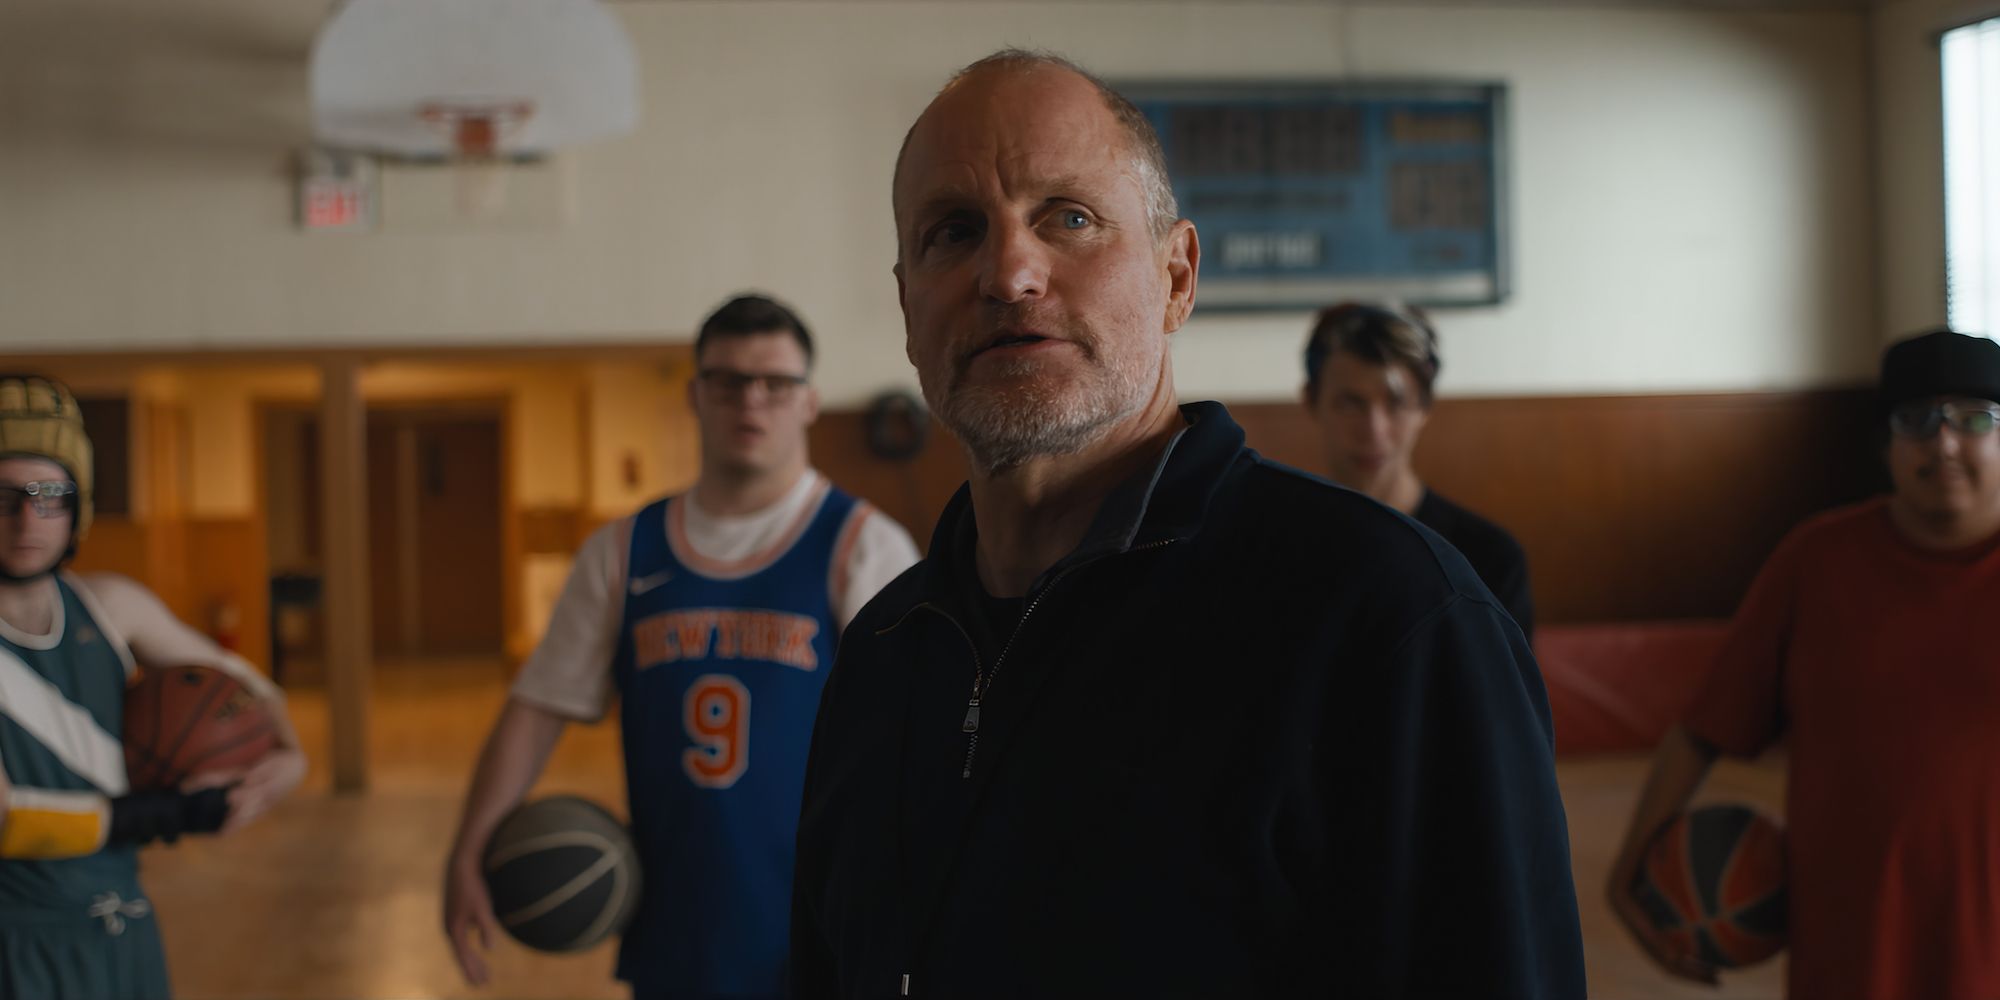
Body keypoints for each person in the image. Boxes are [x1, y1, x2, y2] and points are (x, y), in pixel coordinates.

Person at [789, 50, 1584, 998]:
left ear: (1178, 277)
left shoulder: (1391, 620)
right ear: (909, 307)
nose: (1008, 271)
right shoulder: (883, 654)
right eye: (953, 232)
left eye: (1069, 218)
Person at [442, 294, 921, 999]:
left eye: (776, 384)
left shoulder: (862, 547)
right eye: (728, 382)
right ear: (696, 395)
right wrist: (467, 850)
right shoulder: (622, 552)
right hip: (678, 924)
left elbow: (918, 747)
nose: (751, 401)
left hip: (823, 928)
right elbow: (537, 708)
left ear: (809, 402)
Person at [1607, 328, 2000, 999]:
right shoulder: (1816, 561)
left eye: (1975, 418)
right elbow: (1705, 728)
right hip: (1853, 946)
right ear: (1886, 444)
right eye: (1916, 420)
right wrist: (1627, 872)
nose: (1944, 443)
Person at [0, 374, 307, 1000]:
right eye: (1, 496)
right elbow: (8, 821)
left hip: (123, 925)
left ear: (76, 503)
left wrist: (290, 754)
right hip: (15, 941)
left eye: (49, 494)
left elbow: (246, 685)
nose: (27, 518)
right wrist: (170, 813)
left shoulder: (113, 606)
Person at [1302, 301, 1535, 638]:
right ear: (1311, 401)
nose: (1374, 430)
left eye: (1396, 403)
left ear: (1424, 409)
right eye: (1350, 403)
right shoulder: (1277, 548)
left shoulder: (1488, 558)